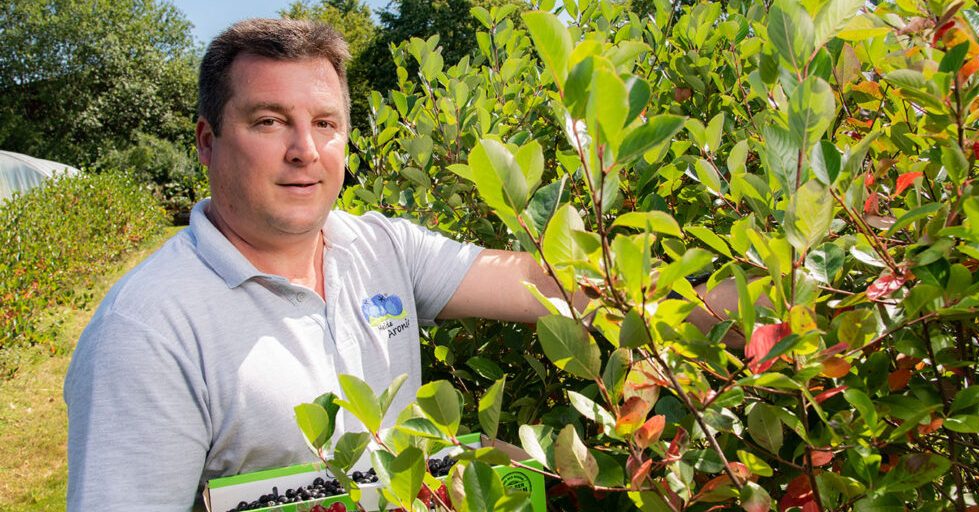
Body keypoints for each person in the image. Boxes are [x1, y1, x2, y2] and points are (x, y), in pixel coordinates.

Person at [64, 17, 737, 511]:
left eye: (326, 124)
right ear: (208, 143)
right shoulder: (147, 331)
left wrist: (730, 306)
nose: (305, 148)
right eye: (269, 121)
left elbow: (545, 286)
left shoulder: (378, 246)